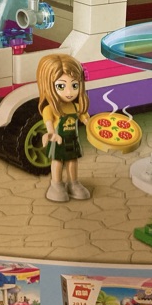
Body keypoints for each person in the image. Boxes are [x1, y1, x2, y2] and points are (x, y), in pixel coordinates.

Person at [37, 54, 91, 202]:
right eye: (61, 86)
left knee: (73, 161)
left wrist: (93, 127)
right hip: (58, 140)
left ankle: (74, 183)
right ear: (48, 85)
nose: (69, 92)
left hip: (72, 139)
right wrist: (51, 133)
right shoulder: (50, 109)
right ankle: (56, 184)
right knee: (57, 161)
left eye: (74, 86)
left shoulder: (76, 106)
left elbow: (86, 119)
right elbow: (49, 123)